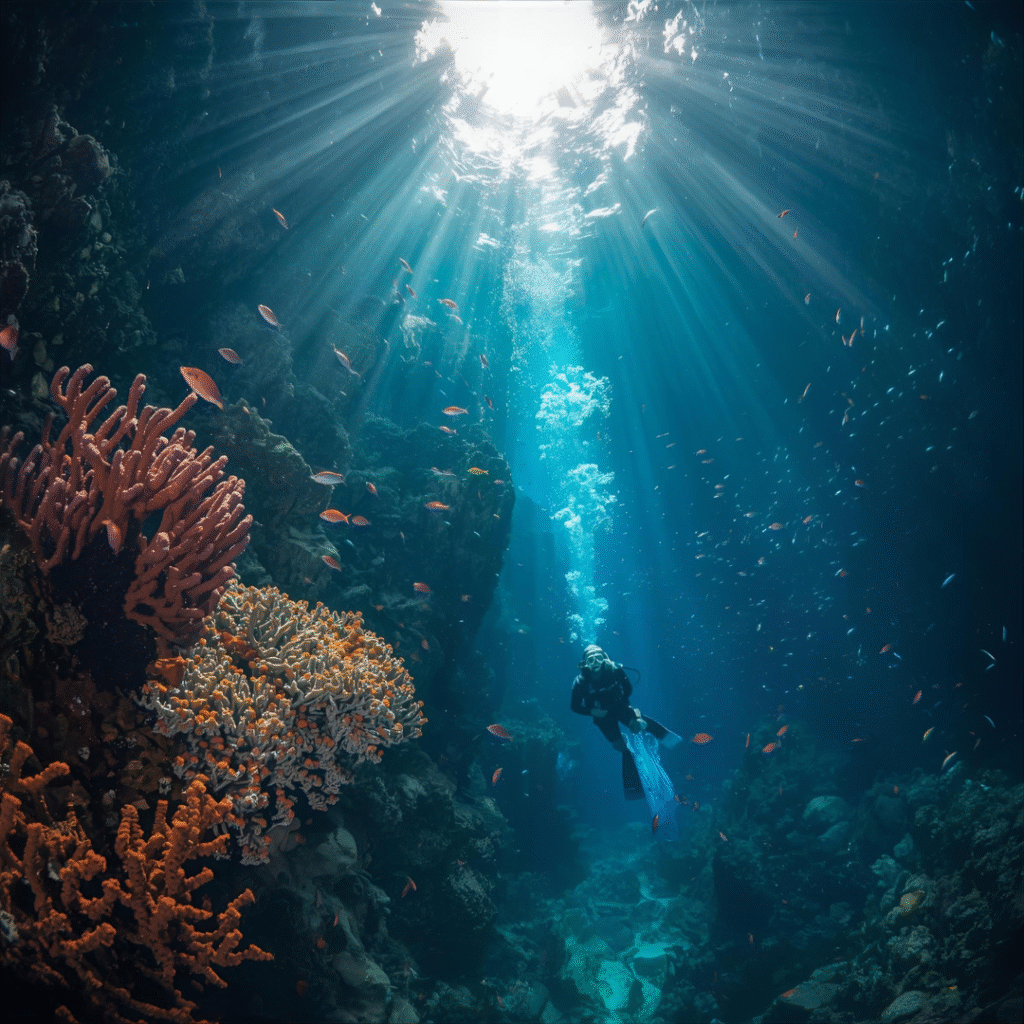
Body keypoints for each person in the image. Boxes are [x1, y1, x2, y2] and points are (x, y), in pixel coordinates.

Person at [571, 645, 679, 801]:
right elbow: (574, 706)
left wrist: (621, 704)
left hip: (619, 706)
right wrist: (591, 711)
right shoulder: (580, 681)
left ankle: (650, 727)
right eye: (591, 659)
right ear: (585, 663)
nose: (595, 662)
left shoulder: (614, 670)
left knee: (638, 726)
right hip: (602, 717)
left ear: (605, 658)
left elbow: (628, 689)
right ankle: (634, 786)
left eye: (599, 658)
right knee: (620, 746)